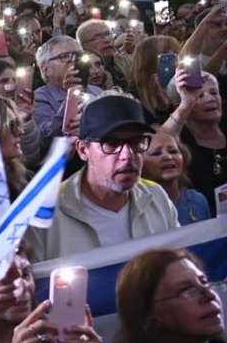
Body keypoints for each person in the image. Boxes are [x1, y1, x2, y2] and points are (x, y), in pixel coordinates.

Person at [28, 94, 179, 261]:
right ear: (83, 150)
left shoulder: (156, 197)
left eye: (136, 142)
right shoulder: (44, 211)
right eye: (111, 144)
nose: (127, 156)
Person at [161, 71, 225, 208]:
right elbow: (159, 142)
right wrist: (186, 103)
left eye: (214, 93)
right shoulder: (180, 141)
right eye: (199, 95)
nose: (210, 99)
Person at [141, 130, 212, 225]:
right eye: (156, 153)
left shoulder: (198, 201)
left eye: (173, 151)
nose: (168, 157)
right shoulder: (137, 207)